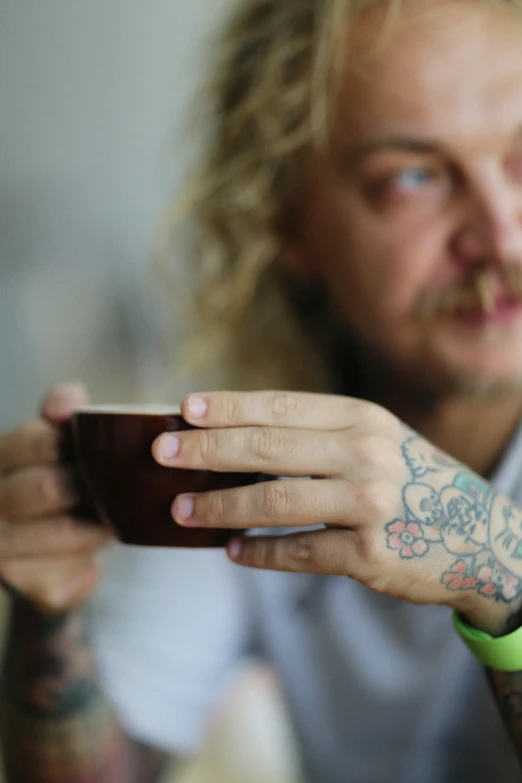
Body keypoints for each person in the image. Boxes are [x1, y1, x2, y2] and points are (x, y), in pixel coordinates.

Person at [2, 0, 522, 780]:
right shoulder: (245, 437)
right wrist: (49, 610)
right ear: (287, 222)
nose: (503, 233)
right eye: (412, 177)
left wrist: (497, 566)